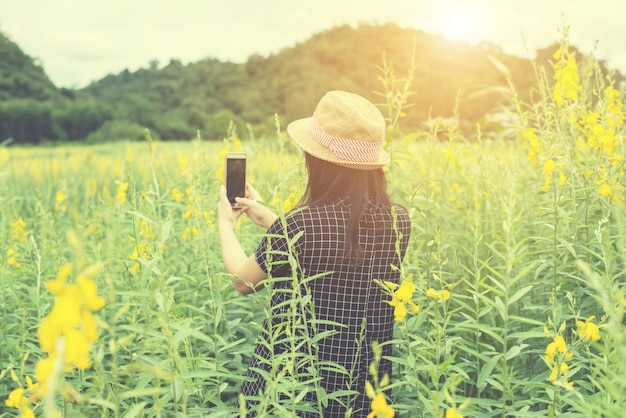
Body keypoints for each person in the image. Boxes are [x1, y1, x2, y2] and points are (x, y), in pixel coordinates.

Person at [217, 90, 411, 417]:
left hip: (296, 384)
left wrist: (225, 223)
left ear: (319, 162)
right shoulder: (397, 219)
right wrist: (271, 221)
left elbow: (242, 281)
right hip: (362, 385)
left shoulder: (300, 225)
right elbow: (343, 250)